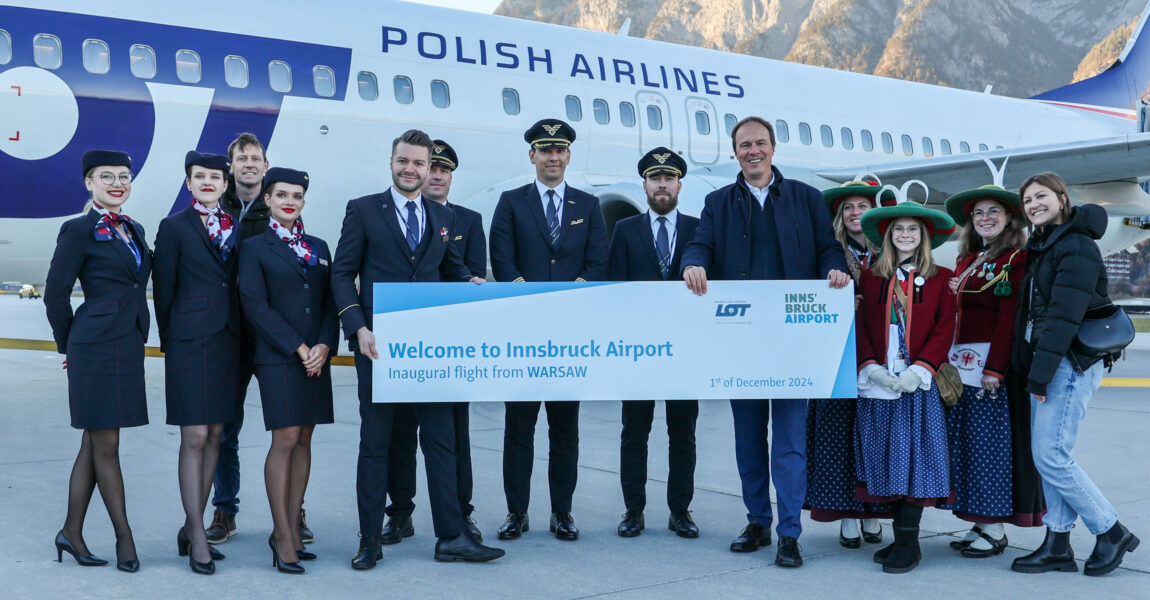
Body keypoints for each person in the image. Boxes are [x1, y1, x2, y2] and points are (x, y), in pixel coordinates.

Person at [681, 116, 849, 568]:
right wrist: (692, 265)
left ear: (773, 148)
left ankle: (790, 533)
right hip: (741, 342)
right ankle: (758, 521)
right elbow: (700, 246)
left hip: (793, 341)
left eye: (759, 143)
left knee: (790, 441)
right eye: (743, 145)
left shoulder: (807, 199)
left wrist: (836, 269)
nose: (752, 151)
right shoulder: (717, 203)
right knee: (749, 440)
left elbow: (828, 248)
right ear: (735, 152)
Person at [332, 129, 503, 570]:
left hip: (427, 350)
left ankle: (451, 536)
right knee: (376, 444)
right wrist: (358, 327)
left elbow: (449, 268)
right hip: (378, 348)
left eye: (419, 164)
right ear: (392, 162)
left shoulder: (440, 218)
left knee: (442, 442)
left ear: (429, 169)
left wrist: (470, 283)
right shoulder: (364, 210)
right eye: (403, 161)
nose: (411, 169)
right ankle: (370, 538)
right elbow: (341, 272)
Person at [1010, 172, 1141, 576]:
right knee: (1052, 455)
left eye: (1042, 196)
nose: (1034, 204)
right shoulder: (1047, 243)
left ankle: (1110, 530)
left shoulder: (1076, 245)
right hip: (1053, 362)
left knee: (1050, 456)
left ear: (1063, 198)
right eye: (1028, 200)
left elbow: (1063, 316)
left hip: (1068, 363)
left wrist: (1039, 374)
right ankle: (1057, 544)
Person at [489, 118, 609, 542]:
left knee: (564, 430)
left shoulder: (587, 206)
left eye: (559, 150)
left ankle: (562, 512)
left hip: (569, 339)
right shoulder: (511, 202)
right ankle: (516, 512)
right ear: (532, 156)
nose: (553, 157)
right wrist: (532, 299)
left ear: (568, 156)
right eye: (545, 150)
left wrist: (567, 299)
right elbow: (502, 260)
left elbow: (597, 263)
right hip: (523, 336)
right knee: (518, 429)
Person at [45, 150, 152, 573]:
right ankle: (125, 539)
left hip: (126, 344)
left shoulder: (134, 229)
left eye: (124, 176)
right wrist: (69, 345)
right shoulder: (78, 230)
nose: (116, 182)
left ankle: (71, 532)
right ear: (88, 183)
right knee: (106, 444)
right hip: (93, 345)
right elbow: (56, 294)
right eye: (105, 176)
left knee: (94, 443)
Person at [383, 139, 486, 545]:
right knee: (400, 436)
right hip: (406, 344)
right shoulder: (398, 216)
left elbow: (469, 274)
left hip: (448, 347)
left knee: (453, 438)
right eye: (433, 168)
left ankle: (462, 513)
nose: (437, 175)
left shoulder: (468, 221)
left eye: (444, 169)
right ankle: (401, 514)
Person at [237, 167, 337, 574]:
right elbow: (254, 305)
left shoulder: (318, 245)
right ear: (268, 199)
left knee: (305, 439)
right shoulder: (255, 247)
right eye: (281, 195)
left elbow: (332, 301)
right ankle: (281, 535)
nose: (289, 201)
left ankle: (293, 528)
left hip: (317, 355)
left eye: (296, 195)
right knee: (286, 437)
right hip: (280, 354)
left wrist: (325, 345)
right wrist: (299, 347)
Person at [207, 133, 304, 545]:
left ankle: (292, 513)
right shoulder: (213, 210)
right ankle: (225, 509)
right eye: (241, 157)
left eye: (256, 157)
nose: (249, 163)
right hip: (229, 336)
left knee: (288, 426)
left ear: (265, 167)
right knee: (225, 427)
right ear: (231, 167)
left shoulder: (280, 211)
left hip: (272, 337)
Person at [854, 198, 956, 574]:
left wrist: (921, 369)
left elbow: (945, 329)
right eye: (899, 229)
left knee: (915, 464)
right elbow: (861, 328)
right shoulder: (871, 276)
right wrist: (871, 367)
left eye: (913, 229)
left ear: (923, 236)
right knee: (888, 461)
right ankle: (900, 540)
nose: (906, 234)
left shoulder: (942, 279)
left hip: (917, 386)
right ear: (888, 235)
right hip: (881, 384)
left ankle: (910, 545)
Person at [941, 184, 1043, 558]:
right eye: (978, 214)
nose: (984, 218)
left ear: (1009, 218)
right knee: (966, 445)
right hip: (960, 364)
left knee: (988, 447)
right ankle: (979, 520)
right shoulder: (969, 258)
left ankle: (995, 527)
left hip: (987, 367)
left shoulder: (1017, 258)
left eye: (993, 212)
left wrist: (996, 368)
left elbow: (1007, 318)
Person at [152, 151, 242, 575]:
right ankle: (198, 534)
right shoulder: (173, 228)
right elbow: (164, 291)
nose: (207, 182)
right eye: (199, 176)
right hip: (189, 341)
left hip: (227, 341)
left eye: (215, 177)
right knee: (195, 436)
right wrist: (173, 341)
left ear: (226, 185)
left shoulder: (235, 227)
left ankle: (193, 527)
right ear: (188, 183)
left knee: (217, 435)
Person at [608, 148, 700, 539]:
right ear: (644, 185)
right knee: (635, 434)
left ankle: (680, 511)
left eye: (669, 178)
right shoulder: (625, 231)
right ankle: (633, 511)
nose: (662, 185)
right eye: (654, 178)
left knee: (683, 435)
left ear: (679, 184)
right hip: (640, 353)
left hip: (684, 354)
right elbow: (613, 288)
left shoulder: (699, 231)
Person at [804, 181, 888, 548]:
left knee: (875, 438)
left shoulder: (890, 250)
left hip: (883, 358)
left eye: (863, 206)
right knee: (839, 436)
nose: (856, 213)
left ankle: (874, 510)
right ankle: (850, 515)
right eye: (849, 207)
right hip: (838, 357)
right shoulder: (828, 253)